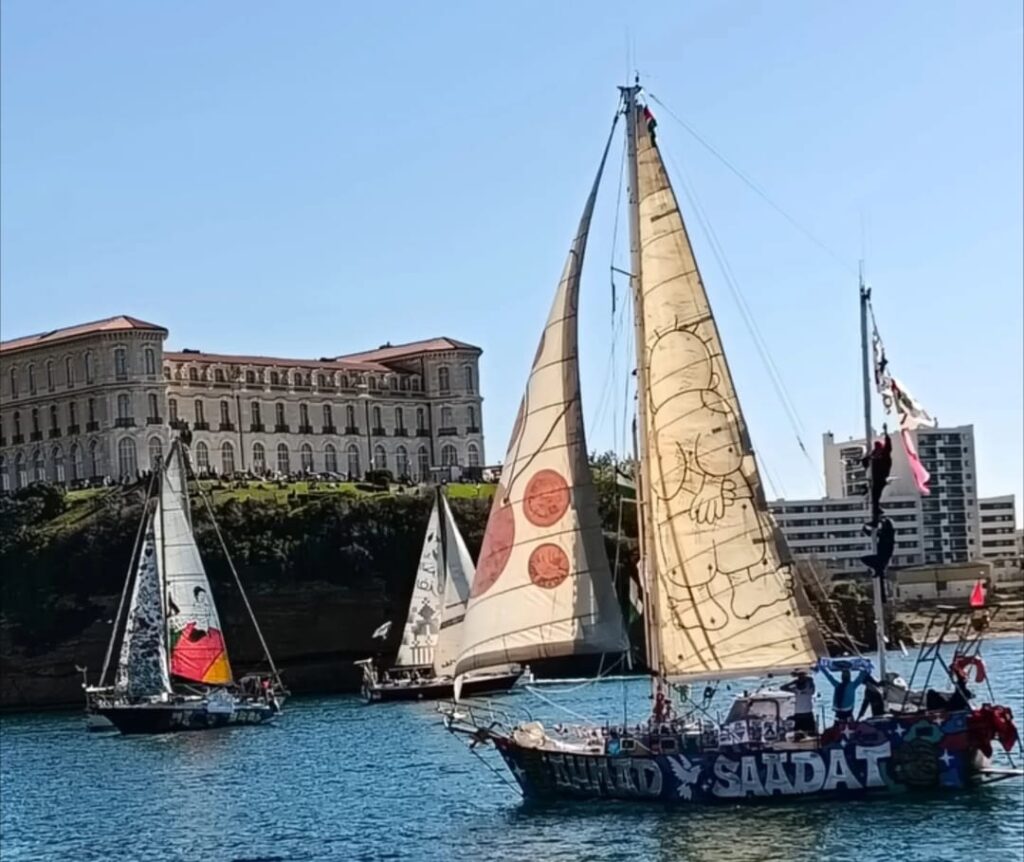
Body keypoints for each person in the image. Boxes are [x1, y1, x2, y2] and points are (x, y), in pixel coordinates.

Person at [781, 670, 817, 737]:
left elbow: (782, 687)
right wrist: (801, 679)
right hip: (807, 713)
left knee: (798, 733)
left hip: (799, 713)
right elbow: (811, 681)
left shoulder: (796, 690)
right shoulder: (809, 690)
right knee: (811, 732)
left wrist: (793, 682)